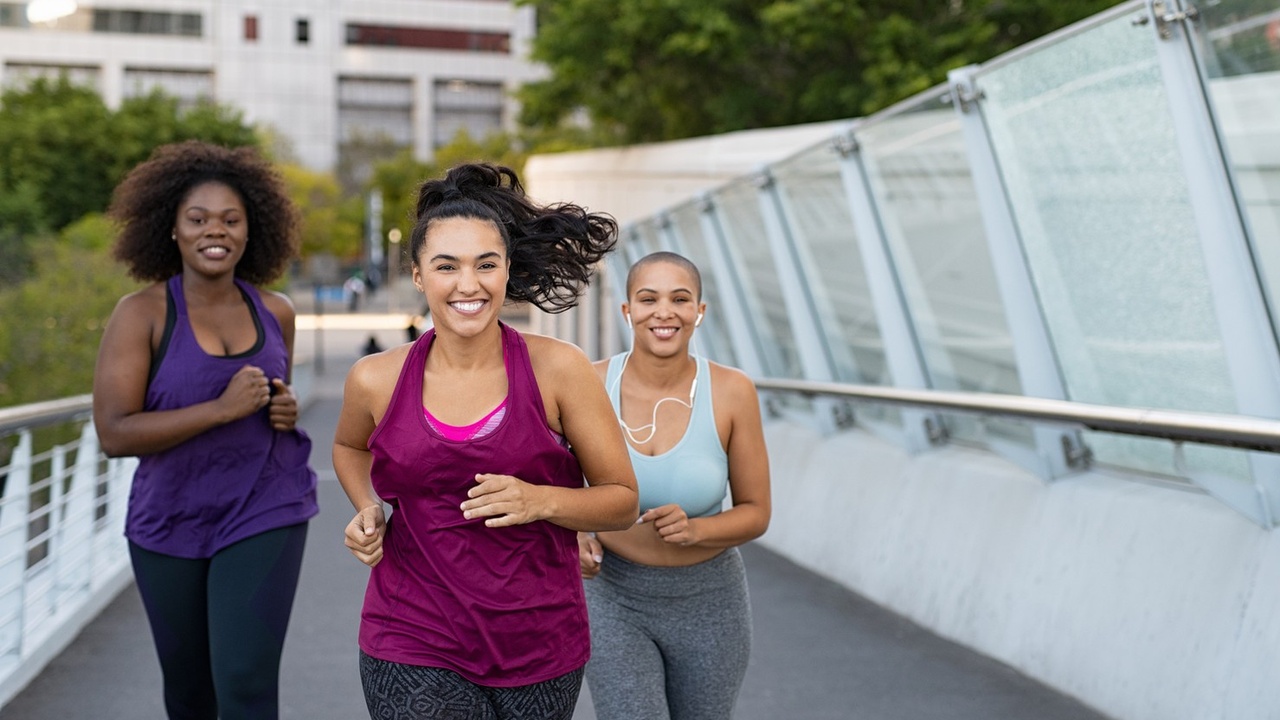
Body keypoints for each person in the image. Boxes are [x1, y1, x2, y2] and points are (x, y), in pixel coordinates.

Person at [333, 163, 639, 719]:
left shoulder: (559, 370)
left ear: (507, 271)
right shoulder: (375, 378)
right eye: (446, 266)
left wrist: (539, 500)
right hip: (411, 635)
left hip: (540, 642)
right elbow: (350, 447)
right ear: (419, 275)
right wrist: (366, 507)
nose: (468, 284)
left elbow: (621, 500)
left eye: (486, 265)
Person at [92, 140, 318, 719]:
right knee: (191, 693)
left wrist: (282, 408)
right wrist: (219, 409)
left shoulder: (276, 311)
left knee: (245, 682)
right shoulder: (140, 314)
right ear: (171, 229)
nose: (213, 231)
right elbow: (114, 433)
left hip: (264, 506)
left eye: (230, 220)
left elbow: (272, 397)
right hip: (170, 518)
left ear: (251, 230)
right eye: (197, 219)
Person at [578, 251, 772, 720]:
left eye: (680, 299)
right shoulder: (589, 383)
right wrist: (575, 533)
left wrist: (697, 531)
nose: (664, 312)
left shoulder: (732, 391)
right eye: (648, 299)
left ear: (699, 312)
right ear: (627, 311)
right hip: (613, 594)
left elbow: (756, 511)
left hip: (710, 600)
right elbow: (556, 483)